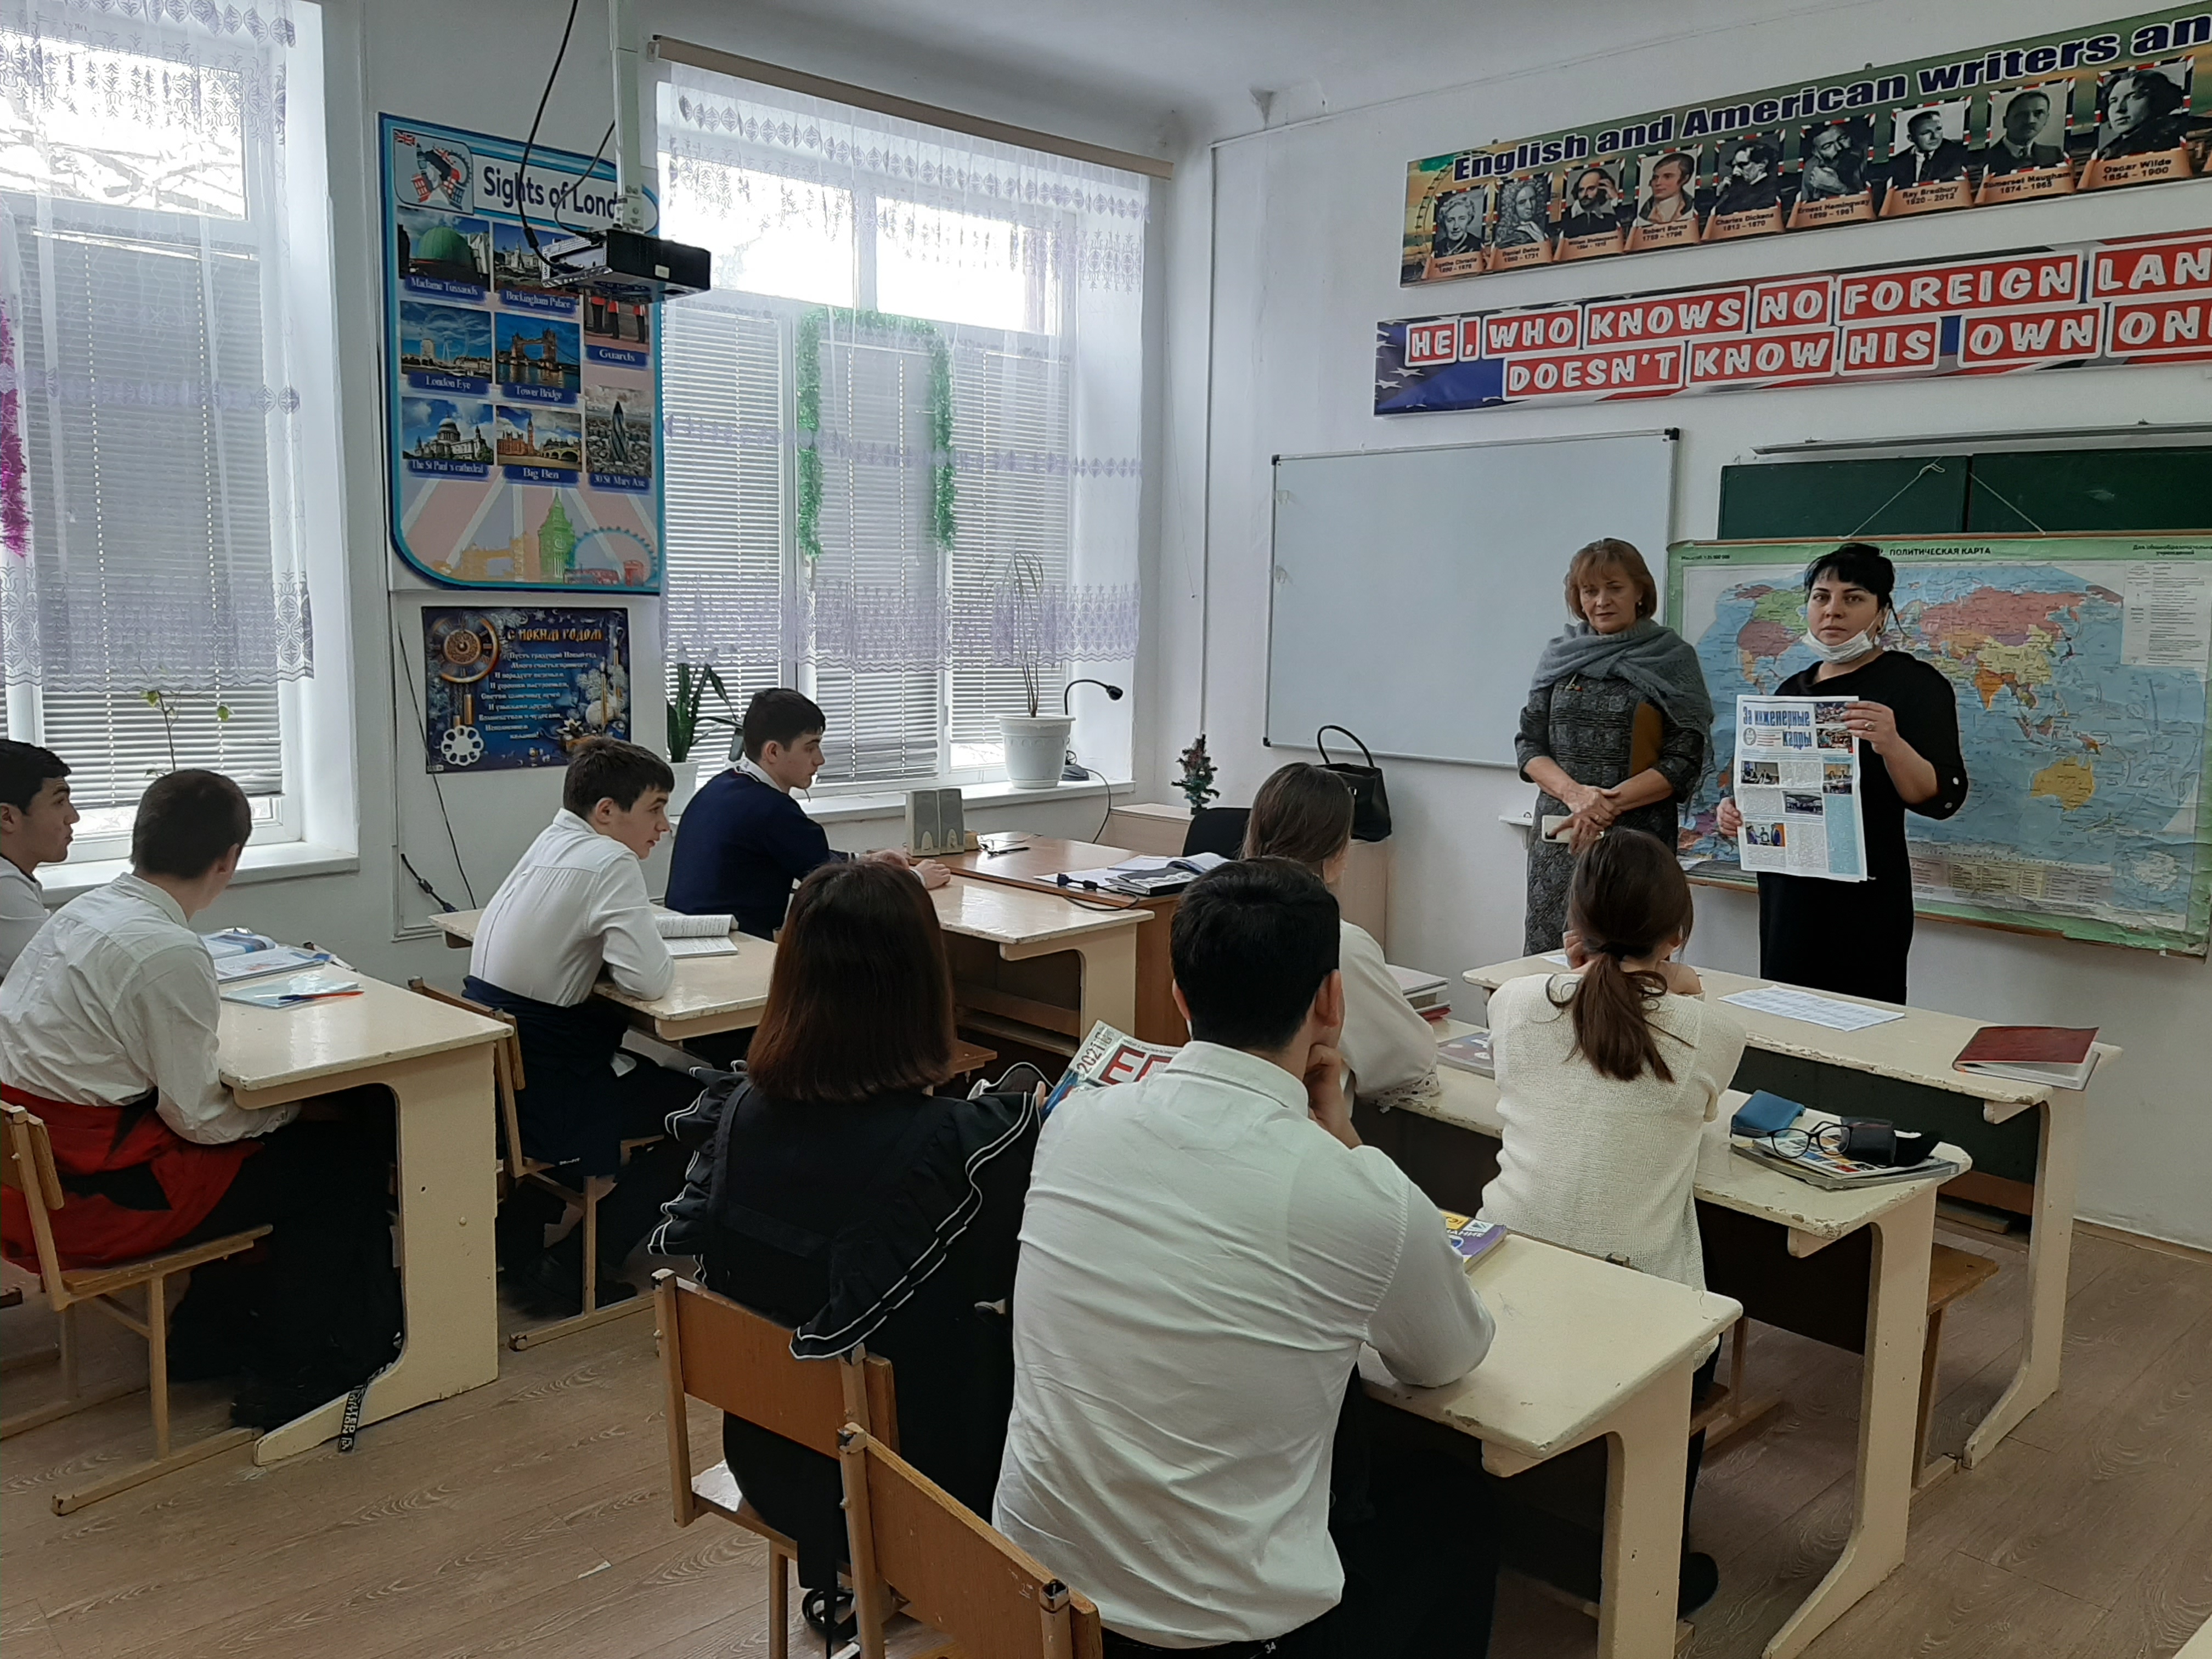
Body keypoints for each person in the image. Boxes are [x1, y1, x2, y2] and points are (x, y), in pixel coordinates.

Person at [995, 859, 1497, 1657]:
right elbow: (1448, 1357)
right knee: (1459, 1502)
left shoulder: (1075, 1121)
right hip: (1217, 1637)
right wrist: (1346, 1139)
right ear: (1332, 1001)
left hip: (1032, 1593)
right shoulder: (1360, 1194)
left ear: (1179, 997)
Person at [656, 860, 1040, 1641]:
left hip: (772, 1456)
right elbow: (1012, 1278)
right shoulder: (954, 1150)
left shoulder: (737, 1114)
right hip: (912, 1484)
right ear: (922, 985)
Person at [0, 770, 400, 1428]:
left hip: (40, 1190)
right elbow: (202, 1121)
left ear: (140, 840)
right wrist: (295, 1109)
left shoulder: (84, 912)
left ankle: (207, 1336)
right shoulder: (166, 950)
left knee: (294, 1148)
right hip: (97, 1203)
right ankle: (289, 1372)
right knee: (341, 1163)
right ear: (229, 860)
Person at [1479, 828, 1746, 1613]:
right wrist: (1686, 988)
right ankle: (1656, 1563)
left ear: (1575, 926)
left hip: (1502, 1281)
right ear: (1678, 933)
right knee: (1703, 1300)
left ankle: (1517, 1519)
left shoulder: (1513, 1003)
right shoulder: (1711, 1030)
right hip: (1640, 1311)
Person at [467, 737, 699, 1315]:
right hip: (554, 1090)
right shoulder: (611, 861)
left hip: (509, 1082)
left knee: (657, 1079)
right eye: (655, 808)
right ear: (606, 812)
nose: (664, 826)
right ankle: (578, 1264)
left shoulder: (551, 842)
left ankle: (522, 1240)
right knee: (708, 1111)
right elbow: (650, 979)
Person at [1717, 544, 1968, 1003]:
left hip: (1865, 899)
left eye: (1853, 598)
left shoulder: (1914, 685)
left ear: (1881, 612)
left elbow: (1942, 798)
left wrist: (1892, 744)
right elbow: (1767, 787)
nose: (1833, 611)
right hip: (1787, 895)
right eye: (1822, 597)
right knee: (1785, 1013)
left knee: (1860, 1019)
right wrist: (1736, 812)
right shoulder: (1790, 691)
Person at [1517, 538, 1712, 955]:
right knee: (1551, 956)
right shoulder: (1560, 657)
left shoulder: (1672, 659)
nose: (1601, 601)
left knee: (1629, 954)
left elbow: (1684, 759)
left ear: (1640, 591)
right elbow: (1529, 745)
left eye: (1615, 588)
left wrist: (1602, 805)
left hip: (1637, 841)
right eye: (1590, 591)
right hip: (1561, 836)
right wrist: (1576, 797)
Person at [665, 687, 947, 941]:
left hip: (687, 937)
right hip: (737, 947)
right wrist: (916, 880)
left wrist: (865, 861)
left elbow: (806, 856)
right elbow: (840, 892)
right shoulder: (772, 809)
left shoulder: (719, 788)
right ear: (773, 751)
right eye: (810, 747)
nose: (820, 760)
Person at [1243, 763, 1438, 1109]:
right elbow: (1409, 1061)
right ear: (1337, 853)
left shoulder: (1216, 919)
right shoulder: (1337, 942)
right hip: (1302, 1124)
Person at [1, 741, 77, 979]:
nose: (73, 817)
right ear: (7, 817)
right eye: (59, 802)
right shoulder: (4, 887)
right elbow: (59, 978)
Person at [2096, 66, 2193, 159]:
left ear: (2158, 99)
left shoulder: (2174, 137)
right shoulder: (2110, 151)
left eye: (2134, 97)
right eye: (2113, 101)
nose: (2119, 109)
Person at [1982, 88, 2064, 174]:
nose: (2030, 121)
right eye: (2022, 115)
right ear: (2005, 122)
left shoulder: (2054, 154)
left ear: (2046, 119)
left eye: (2039, 113)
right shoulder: (1985, 158)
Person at [1884, 110, 1968, 188]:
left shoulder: (1959, 153)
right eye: (1926, 133)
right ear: (1911, 138)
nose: (1935, 137)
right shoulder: (1898, 163)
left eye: (1938, 129)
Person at [1712, 138, 1783, 214]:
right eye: (1734, 167)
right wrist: (1720, 194)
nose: (1735, 172)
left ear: (1763, 164)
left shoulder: (1772, 188)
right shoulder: (1736, 188)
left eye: (1743, 165)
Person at [1800, 123, 1869, 198]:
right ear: (1816, 153)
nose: (1839, 148)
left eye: (1843, 139)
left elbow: (1870, 202)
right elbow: (1807, 203)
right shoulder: (1811, 167)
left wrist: (1840, 188)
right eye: (1828, 147)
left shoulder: (1868, 155)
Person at [1562, 165, 1624, 237]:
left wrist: (1615, 199)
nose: (1584, 194)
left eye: (1591, 189)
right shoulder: (1564, 217)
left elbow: (1626, 225)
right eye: (1581, 190)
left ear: (1603, 191)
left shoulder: (1610, 220)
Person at [1638, 150, 1697, 222]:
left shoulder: (1692, 207)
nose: (1658, 183)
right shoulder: (1644, 213)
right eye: (1655, 178)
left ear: (1684, 179)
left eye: (1668, 177)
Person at [1493, 176, 1552, 247]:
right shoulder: (1510, 238)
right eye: (1522, 202)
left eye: (1532, 199)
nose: (1530, 206)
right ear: (1512, 207)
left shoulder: (1536, 228)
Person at [1430, 187, 1486, 257]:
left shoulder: (1478, 246)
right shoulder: (1438, 247)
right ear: (1443, 222)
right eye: (1450, 220)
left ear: (1469, 220)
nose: (1456, 226)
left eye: (1462, 219)